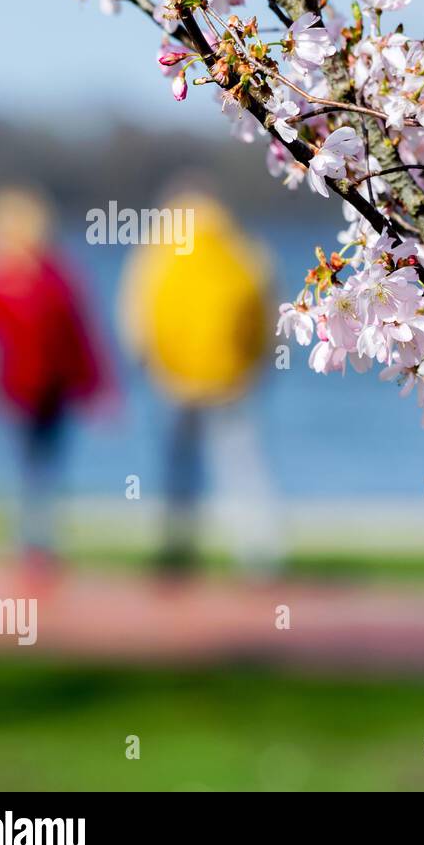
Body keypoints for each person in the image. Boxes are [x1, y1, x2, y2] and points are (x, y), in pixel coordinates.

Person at [116, 189, 279, 576]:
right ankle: (259, 555)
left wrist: (142, 362)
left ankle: (177, 546)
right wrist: (260, 367)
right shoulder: (242, 249)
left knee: (177, 467)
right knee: (241, 466)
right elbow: (270, 313)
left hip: (174, 380)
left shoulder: (159, 251)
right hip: (231, 379)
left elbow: (134, 311)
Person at [0, 187, 111, 578]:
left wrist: (94, 386)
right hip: (13, 392)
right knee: (24, 468)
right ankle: (30, 546)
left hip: (53, 392)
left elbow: (78, 334)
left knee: (45, 468)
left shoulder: (54, 277)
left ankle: (39, 544)